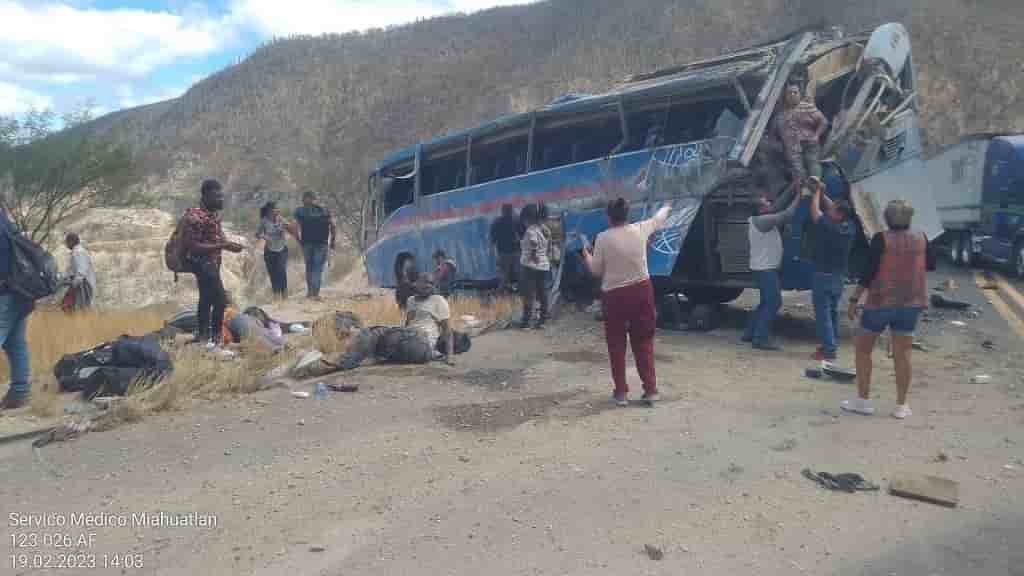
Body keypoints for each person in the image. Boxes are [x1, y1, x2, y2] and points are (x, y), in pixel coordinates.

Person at [844, 200, 934, 419]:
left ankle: (863, 401)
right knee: (903, 354)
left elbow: (868, 272)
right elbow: (930, 265)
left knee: (864, 350)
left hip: (880, 302)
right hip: (911, 303)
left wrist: (854, 299)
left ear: (886, 218)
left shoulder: (881, 239)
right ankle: (901, 406)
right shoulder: (922, 237)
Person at [581, 198, 670, 406]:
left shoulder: (603, 238)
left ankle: (621, 393)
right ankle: (651, 390)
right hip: (642, 290)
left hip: (614, 295)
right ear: (627, 214)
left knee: (616, 344)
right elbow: (659, 218)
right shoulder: (641, 228)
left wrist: (586, 255)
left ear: (608, 216)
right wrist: (666, 205)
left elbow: (596, 270)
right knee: (643, 341)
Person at [182, 179, 243, 348]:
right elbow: (192, 246)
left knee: (206, 299)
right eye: (217, 197)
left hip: (212, 264)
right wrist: (223, 245)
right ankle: (215, 338)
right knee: (221, 300)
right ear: (206, 196)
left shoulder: (213, 215)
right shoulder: (194, 217)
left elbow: (217, 238)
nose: (221, 200)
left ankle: (204, 337)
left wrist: (231, 246)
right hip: (202, 264)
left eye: (221, 196)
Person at [743, 190, 801, 350]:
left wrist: (793, 187)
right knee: (774, 302)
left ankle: (750, 333)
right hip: (766, 269)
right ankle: (760, 338)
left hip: (761, 268)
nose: (770, 203)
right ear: (761, 209)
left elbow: (778, 206)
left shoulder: (758, 219)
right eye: (766, 202)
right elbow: (788, 214)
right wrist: (800, 195)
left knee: (765, 302)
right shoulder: (764, 221)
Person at [809, 179, 856, 362]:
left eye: (833, 209)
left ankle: (828, 350)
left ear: (838, 215)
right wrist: (821, 190)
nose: (829, 209)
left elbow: (815, 214)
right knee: (833, 313)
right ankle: (831, 345)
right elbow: (833, 209)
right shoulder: (849, 227)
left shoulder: (829, 227)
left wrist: (815, 194)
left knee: (823, 316)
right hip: (838, 278)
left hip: (823, 276)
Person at [0, 203, 33, 410]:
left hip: (4, 294)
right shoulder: (8, 224)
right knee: (15, 343)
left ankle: (20, 392)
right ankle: (19, 393)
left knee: (15, 343)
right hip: (21, 292)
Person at [782, 82, 827, 195]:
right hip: (793, 147)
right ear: (785, 96)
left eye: (795, 92)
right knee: (797, 169)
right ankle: (806, 189)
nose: (792, 95)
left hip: (809, 142)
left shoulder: (808, 107)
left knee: (812, 162)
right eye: (789, 93)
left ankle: (816, 183)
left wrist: (816, 135)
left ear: (799, 94)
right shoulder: (782, 113)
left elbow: (823, 122)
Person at [294, 190, 336, 301]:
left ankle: (310, 293)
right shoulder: (325, 210)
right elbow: (333, 226)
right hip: (321, 243)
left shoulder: (300, 211)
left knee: (309, 267)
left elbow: (295, 227)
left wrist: (299, 240)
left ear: (304, 199)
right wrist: (332, 240)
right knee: (317, 268)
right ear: (314, 199)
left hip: (307, 243)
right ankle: (315, 294)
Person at [518, 203, 550, 329]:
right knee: (543, 293)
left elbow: (533, 242)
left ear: (528, 219)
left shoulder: (531, 230)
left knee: (528, 294)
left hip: (530, 266)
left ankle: (527, 321)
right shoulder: (544, 228)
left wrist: (533, 254)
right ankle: (543, 320)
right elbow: (548, 242)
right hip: (543, 266)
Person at [256, 201, 293, 300]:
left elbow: (291, 228)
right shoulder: (264, 221)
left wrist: (288, 227)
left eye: (277, 208)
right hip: (269, 251)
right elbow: (257, 234)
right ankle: (276, 295)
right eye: (275, 209)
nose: (277, 210)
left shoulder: (281, 219)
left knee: (281, 270)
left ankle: (285, 294)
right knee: (272, 273)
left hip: (282, 249)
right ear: (269, 211)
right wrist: (264, 236)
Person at [61, 232, 97, 313]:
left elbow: (81, 272)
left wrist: (74, 284)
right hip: (80, 284)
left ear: (71, 241)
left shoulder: (78, 252)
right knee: (72, 308)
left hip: (82, 285)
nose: (66, 245)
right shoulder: (77, 251)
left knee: (79, 309)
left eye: (67, 242)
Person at [489, 203, 520, 292]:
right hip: (512, 252)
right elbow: (522, 234)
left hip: (505, 252)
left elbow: (492, 239)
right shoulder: (515, 220)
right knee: (515, 275)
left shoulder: (497, 222)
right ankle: (504, 293)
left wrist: (493, 253)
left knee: (505, 276)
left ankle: (502, 293)